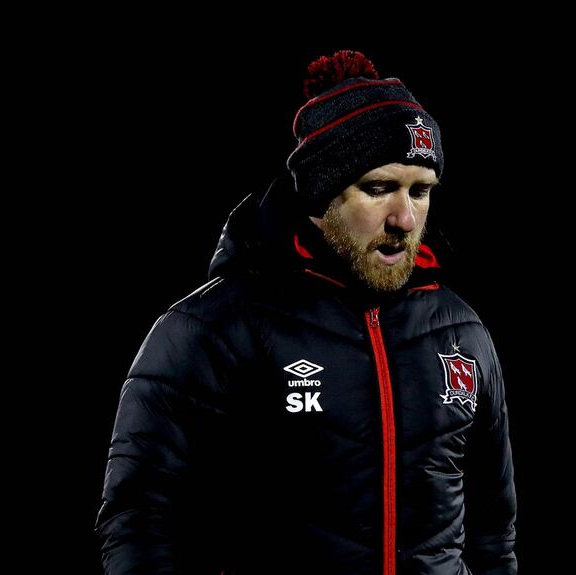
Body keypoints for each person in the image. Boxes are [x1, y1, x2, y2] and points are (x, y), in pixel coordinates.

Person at [95, 50, 517, 575]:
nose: (405, 218)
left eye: (420, 191)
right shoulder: (212, 331)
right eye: (379, 188)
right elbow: (140, 523)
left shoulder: (463, 334)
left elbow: (493, 533)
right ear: (320, 198)